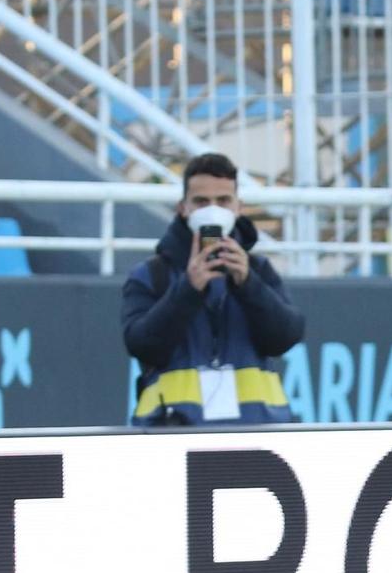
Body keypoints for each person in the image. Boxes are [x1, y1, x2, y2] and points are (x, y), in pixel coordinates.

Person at [123, 152, 304, 426]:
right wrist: (188, 289)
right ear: (182, 208)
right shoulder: (151, 274)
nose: (212, 210)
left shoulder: (258, 270)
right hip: (173, 434)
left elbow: (285, 337)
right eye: (201, 201)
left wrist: (248, 284)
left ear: (238, 207)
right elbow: (142, 346)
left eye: (223, 201)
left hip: (255, 435)